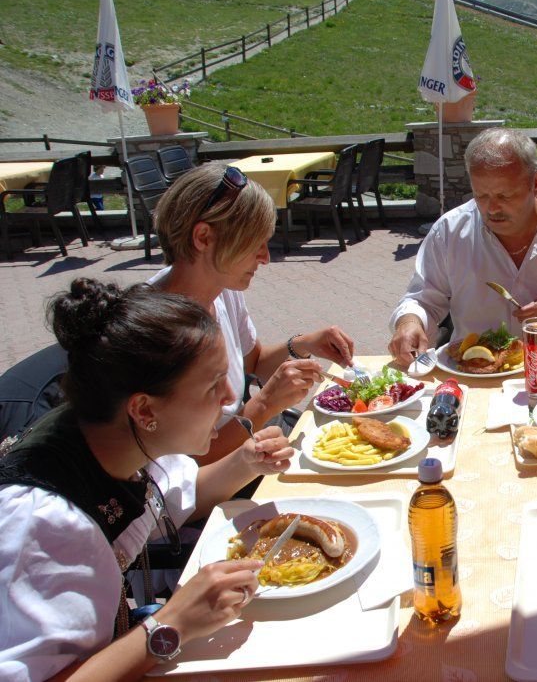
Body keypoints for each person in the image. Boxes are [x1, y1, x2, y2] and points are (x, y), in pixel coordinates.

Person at [0, 278, 295, 681]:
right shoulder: (45, 526)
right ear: (143, 409)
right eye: (212, 384)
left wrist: (245, 462)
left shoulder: (118, 436)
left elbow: (182, 496)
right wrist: (172, 623)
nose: (230, 395)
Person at [152, 163, 355, 462]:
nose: (266, 257)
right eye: (254, 243)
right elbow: (186, 467)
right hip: (226, 479)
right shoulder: (154, 330)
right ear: (204, 237)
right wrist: (264, 404)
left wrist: (301, 345)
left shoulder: (222, 288)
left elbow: (254, 363)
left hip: (256, 444)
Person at [388, 127, 537, 367]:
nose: (492, 209)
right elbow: (423, 299)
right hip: (475, 371)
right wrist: (409, 323)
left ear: (536, 182)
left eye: (504, 196)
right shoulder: (450, 231)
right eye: (481, 196)